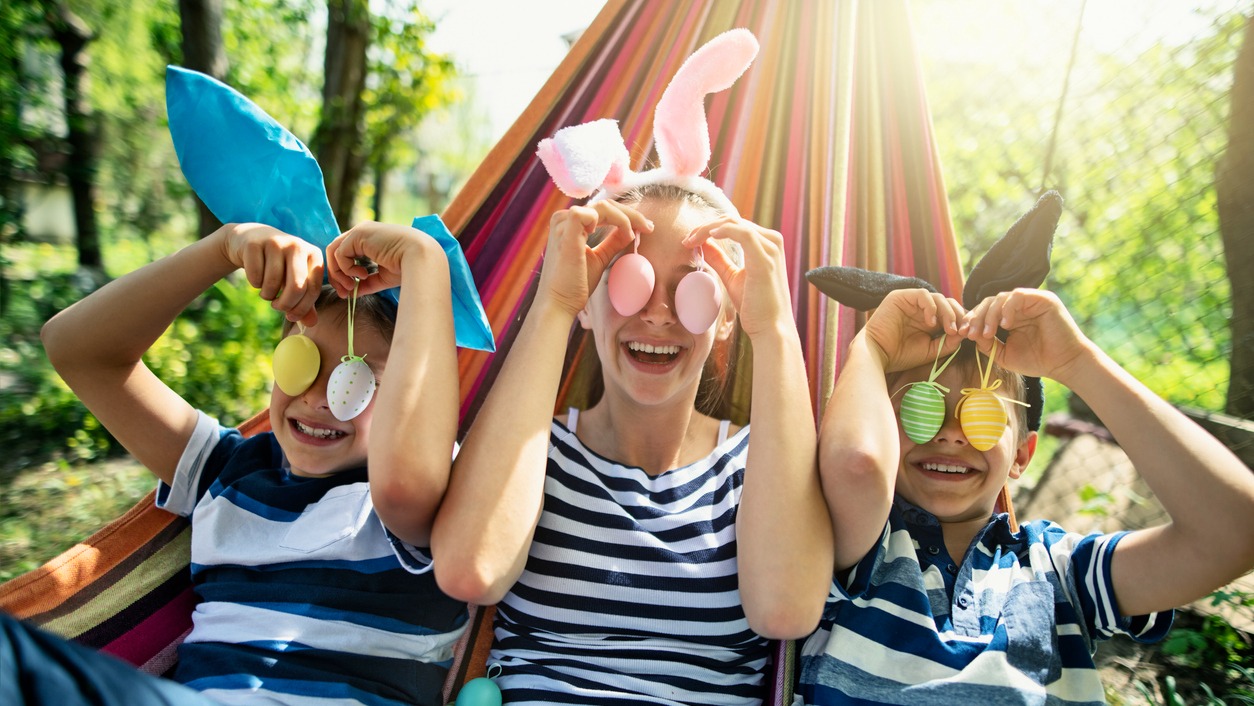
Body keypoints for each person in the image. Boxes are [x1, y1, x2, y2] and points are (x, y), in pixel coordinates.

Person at [430, 29, 832, 705]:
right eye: (630, 280)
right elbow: (471, 569)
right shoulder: (531, 452)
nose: (658, 314)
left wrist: (775, 324)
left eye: (694, 288)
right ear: (591, 297)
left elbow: (786, 610)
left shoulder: (759, 471)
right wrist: (557, 302)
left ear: (727, 313)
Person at [6, 220, 467, 706]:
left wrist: (422, 263)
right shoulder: (226, 471)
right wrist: (224, 247)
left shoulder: (425, 500)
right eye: (301, 360)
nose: (315, 398)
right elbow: (77, 350)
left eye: (355, 381)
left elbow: (411, 474)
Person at [798, 284, 1254, 704]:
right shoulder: (857, 546)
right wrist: (872, 348)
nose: (952, 434)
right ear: (883, 433)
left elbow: (1235, 532)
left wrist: (1078, 361)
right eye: (924, 404)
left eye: (982, 414)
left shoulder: (1061, 571)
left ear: (1022, 454)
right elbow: (856, 465)